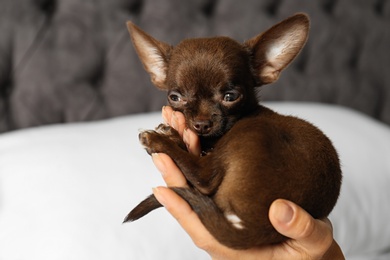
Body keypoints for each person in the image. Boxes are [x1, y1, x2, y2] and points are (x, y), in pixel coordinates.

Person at [150, 106, 345, 260]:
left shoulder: (260, 130)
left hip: (255, 209)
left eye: (229, 96)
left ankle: (205, 175)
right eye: (178, 98)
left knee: (256, 128)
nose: (202, 118)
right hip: (249, 215)